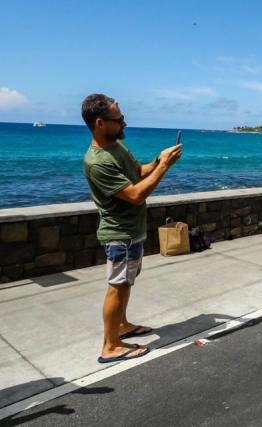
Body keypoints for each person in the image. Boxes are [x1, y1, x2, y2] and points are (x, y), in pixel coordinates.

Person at [81, 94, 182, 363]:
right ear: (100, 122)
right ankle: (110, 345)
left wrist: (158, 160)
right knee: (117, 285)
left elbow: (139, 171)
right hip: (119, 234)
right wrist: (165, 167)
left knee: (126, 283)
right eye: (119, 119)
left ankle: (122, 325)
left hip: (132, 230)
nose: (124, 123)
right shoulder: (98, 161)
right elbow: (136, 194)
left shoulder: (117, 147)